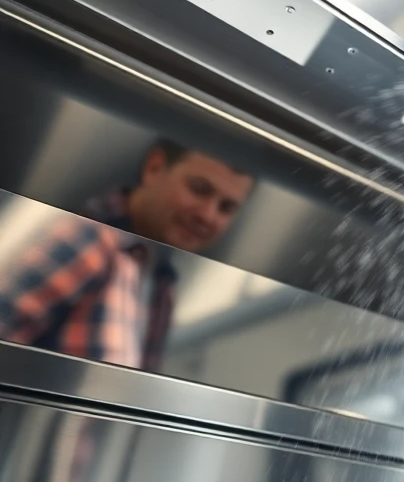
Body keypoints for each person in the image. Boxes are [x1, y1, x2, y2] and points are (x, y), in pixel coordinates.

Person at [0, 139, 253, 370]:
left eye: (226, 208)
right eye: (199, 189)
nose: (208, 215)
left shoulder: (162, 282)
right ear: (154, 168)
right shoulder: (91, 240)